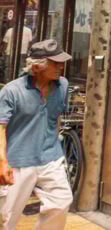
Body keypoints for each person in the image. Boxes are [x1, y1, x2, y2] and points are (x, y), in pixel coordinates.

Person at [0, 39, 73, 229]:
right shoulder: (12, 91)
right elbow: (0, 128)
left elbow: (53, 118)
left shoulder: (63, 85)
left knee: (62, 201)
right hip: (18, 161)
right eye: (55, 63)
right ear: (38, 66)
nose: (61, 67)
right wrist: (2, 161)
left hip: (50, 157)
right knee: (8, 218)